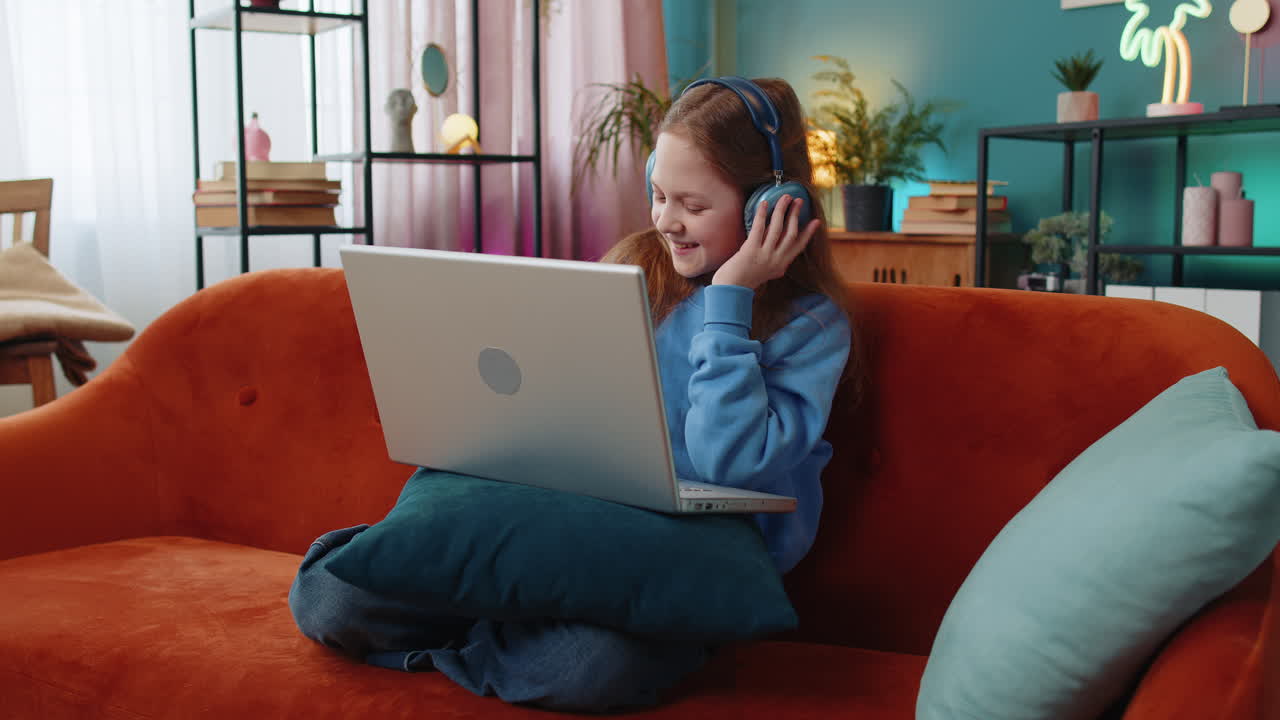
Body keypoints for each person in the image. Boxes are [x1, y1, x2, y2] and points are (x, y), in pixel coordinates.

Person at [289, 76, 857, 713]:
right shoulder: (636, 268)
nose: (667, 220)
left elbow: (728, 462)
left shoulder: (811, 326)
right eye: (659, 194)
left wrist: (730, 300)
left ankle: (470, 642)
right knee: (326, 596)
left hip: (693, 549)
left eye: (693, 205)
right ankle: (498, 636)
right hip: (582, 515)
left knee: (592, 667)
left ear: (771, 208)